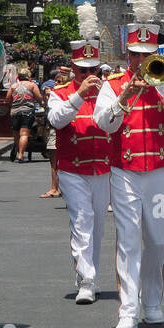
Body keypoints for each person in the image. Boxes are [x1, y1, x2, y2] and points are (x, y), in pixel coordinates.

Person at [93, 10, 164, 328]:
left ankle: (152, 302)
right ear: (127, 54)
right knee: (129, 241)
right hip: (125, 172)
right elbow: (104, 124)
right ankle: (128, 311)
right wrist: (126, 95)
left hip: (161, 174)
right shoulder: (113, 85)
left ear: (156, 54)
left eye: (147, 55)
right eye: (136, 54)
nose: (140, 60)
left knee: (158, 239)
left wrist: (161, 86)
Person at [49, 40, 112, 305]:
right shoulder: (60, 92)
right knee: (82, 220)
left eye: (92, 71)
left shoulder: (108, 92)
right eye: (82, 71)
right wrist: (79, 95)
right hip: (72, 168)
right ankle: (86, 280)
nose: (88, 77)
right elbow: (55, 120)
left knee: (97, 224)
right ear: (73, 69)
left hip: (103, 168)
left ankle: (89, 274)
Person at [40, 66, 72, 199]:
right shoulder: (55, 93)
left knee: (57, 161)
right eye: (56, 81)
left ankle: (56, 188)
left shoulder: (65, 93)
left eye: (60, 81)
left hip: (61, 129)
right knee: (55, 160)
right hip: (55, 128)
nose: (57, 84)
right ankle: (56, 187)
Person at [7, 67, 44, 163]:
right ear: (28, 76)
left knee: (16, 134)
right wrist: (42, 103)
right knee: (24, 134)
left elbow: (7, 99)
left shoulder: (13, 86)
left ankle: (18, 149)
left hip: (15, 112)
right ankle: (20, 155)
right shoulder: (32, 85)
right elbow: (39, 98)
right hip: (27, 111)